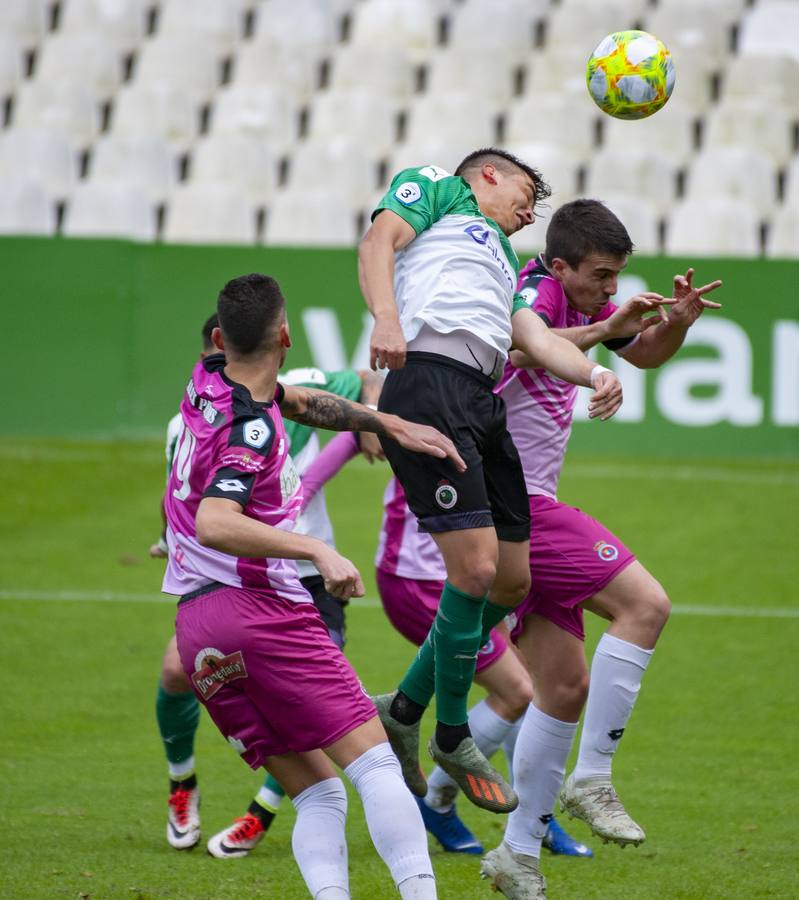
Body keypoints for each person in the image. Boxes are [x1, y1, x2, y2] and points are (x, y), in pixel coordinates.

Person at [162, 272, 465, 898]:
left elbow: (298, 402)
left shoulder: (204, 384)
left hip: (198, 635)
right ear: (286, 334)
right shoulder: (251, 429)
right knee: (376, 760)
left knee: (320, 794)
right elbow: (217, 521)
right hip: (261, 609)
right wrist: (315, 548)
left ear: (218, 339)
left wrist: (388, 424)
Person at [358, 148, 624, 813]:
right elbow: (376, 241)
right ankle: (450, 732)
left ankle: (405, 707)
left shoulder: (503, 267)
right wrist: (386, 320)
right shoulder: (437, 190)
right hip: (428, 382)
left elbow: (534, 341)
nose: (529, 210)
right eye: (524, 191)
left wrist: (596, 369)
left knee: (512, 579)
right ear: (485, 175)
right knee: (474, 573)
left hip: (478, 399)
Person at [480, 199, 722, 899]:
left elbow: (640, 353)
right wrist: (595, 359)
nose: (610, 289)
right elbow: (530, 344)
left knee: (561, 687)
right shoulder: (531, 292)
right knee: (645, 605)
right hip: (514, 502)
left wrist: (671, 327)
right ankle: (589, 780)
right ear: (560, 266)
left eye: (616, 277)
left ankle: (515, 855)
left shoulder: (576, 303)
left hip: (520, 509)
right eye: (600, 276)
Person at [298, 433, 593, 860]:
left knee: (526, 678)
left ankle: (535, 817)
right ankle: (435, 800)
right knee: (517, 690)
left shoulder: (482, 391)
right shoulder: (427, 390)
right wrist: (298, 501)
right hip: (423, 579)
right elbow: (353, 416)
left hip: (475, 570)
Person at [157, 362, 386, 856]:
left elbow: (370, 379)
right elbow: (181, 501)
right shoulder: (188, 421)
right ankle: (181, 783)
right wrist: (167, 539)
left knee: (316, 713)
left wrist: (370, 419)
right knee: (177, 671)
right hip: (234, 583)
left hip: (309, 579)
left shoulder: (297, 392)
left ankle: (263, 811)